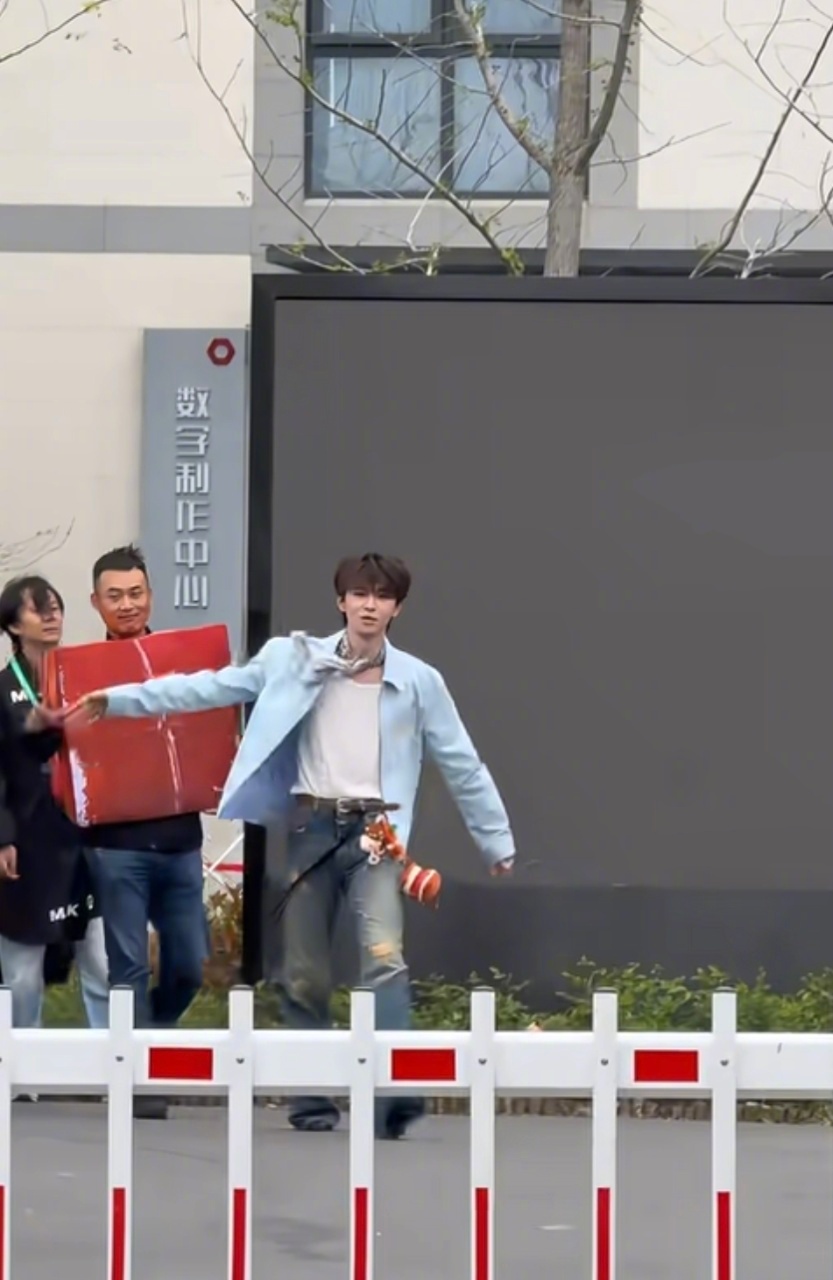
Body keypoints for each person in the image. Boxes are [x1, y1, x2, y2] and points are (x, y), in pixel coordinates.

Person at [69, 552, 516, 1139]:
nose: (370, 606)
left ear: (397, 608)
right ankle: (312, 1100)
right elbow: (209, 687)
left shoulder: (418, 681)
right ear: (341, 601)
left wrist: (495, 839)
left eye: (382, 597)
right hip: (313, 830)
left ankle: (392, 1097)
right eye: (360, 594)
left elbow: (462, 762)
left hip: (378, 837)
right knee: (303, 972)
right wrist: (120, 699)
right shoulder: (295, 659)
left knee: (384, 961)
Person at [82, 545, 209, 1121]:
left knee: (190, 966)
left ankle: (149, 1036)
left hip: (180, 840)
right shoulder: (82, 672)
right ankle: (137, 1077)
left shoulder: (183, 663)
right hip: (116, 846)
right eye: (115, 596)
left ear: (151, 596)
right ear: (96, 603)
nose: (127, 604)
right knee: (127, 967)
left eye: (136, 593)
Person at [0, 574, 109, 1050]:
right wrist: (3, 837)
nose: (51, 616)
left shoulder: (85, 678)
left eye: (56, 607)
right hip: (27, 838)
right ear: (12, 625)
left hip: (85, 833)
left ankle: (112, 1062)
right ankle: (22, 1065)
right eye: (37, 609)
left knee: (102, 960)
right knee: (22, 974)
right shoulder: (3, 689)